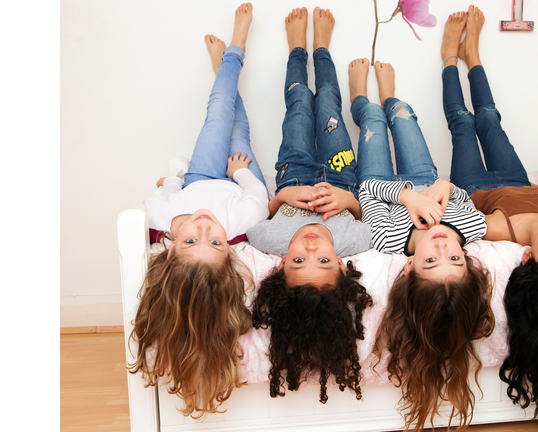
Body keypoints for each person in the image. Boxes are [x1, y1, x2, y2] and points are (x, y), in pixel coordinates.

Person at [440, 6, 538, 426]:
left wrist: (463, 194)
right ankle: (473, 56)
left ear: (528, 256)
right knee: (490, 118)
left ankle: (447, 60)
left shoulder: (501, 230)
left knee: (462, 122)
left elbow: (460, 207)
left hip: (479, 184)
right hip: (520, 178)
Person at [129, 3, 267, 419]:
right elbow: (258, 199)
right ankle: (224, 67)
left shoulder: (156, 219)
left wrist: (174, 175)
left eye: (192, 240)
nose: (206, 226)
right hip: (236, 177)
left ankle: (234, 51)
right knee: (240, 127)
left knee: (219, 112)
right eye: (216, 241)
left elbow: (167, 191)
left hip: (201, 173)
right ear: (232, 252)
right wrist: (242, 173)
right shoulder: (243, 222)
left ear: (170, 249)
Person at [348, 56, 493, 431]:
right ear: (468, 260)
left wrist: (408, 199)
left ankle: (359, 96)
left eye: (433, 261)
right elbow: (461, 198)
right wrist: (444, 187)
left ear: (410, 267)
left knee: (374, 119)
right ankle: (391, 96)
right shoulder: (470, 228)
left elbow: (367, 193)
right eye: (455, 259)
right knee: (402, 113)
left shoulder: (387, 240)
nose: (443, 245)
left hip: (384, 181)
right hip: (425, 175)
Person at [247, 7, 373, 405]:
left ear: (281, 265)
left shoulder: (271, 240)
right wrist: (348, 200)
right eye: (323, 262)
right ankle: (323, 49)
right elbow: (367, 217)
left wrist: (282, 196)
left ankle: (296, 50)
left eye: (300, 261)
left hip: (294, 171)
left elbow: (256, 218)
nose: (313, 248)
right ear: (339, 266)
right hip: (339, 173)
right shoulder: (351, 244)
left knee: (300, 102)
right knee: (330, 103)